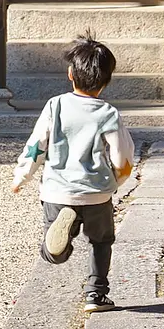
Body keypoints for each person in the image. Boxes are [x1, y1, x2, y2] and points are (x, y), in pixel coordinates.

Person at [10, 36, 135, 312]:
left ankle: (58, 245)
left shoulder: (55, 105)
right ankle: (96, 294)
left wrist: (23, 175)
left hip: (57, 190)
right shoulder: (108, 113)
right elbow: (122, 155)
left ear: (70, 74)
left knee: (53, 251)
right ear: (107, 80)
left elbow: (37, 144)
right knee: (101, 241)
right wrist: (116, 180)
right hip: (96, 193)